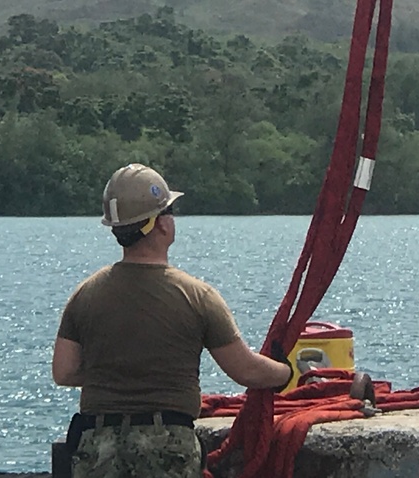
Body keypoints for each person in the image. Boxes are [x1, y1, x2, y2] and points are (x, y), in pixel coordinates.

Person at [52, 163, 293, 478]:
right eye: (168, 211)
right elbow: (245, 369)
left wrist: (119, 372)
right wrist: (285, 372)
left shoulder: (85, 294)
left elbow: (64, 371)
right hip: (167, 446)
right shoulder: (197, 296)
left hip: (98, 447)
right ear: (161, 224)